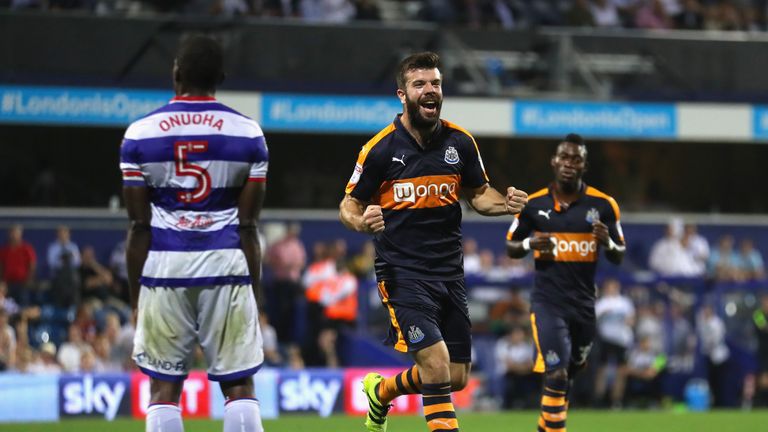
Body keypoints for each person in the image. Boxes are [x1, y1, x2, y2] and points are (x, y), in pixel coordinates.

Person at [339, 51, 528, 432]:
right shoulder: (380, 149)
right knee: (437, 365)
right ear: (402, 94)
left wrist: (505, 203)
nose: (430, 90)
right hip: (402, 273)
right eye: (420, 84)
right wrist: (361, 221)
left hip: (449, 274)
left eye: (436, 83)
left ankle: (382, 391)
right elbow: (348, 203)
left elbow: (478, 194)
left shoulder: (461, 142)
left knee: (455, 376)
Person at [121, 35, 268, 432]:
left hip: (164, 268)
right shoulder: (248, 133)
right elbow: (249, 226)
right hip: (226, 265)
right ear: (220, 77)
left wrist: (137, 298)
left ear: (176, 73)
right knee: (239, 386)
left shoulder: (140, 135)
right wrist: (253, 294)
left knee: (163, 390)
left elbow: (138, 227)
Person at [506, 133, 625, 432]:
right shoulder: (533, 205)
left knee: (568, 377)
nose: (569, 163)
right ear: (554, 161)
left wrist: (608, 242)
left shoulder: (605, 205)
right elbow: (511, 246)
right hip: (548, 303)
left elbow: (619, 254)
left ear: (584, 165)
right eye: (564, 157)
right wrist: (532, 244)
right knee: (556, 374)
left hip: (584, 307)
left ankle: (545, 427)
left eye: (576, 159)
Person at [0, 224, 37, 307]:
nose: (13, 235)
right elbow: (1, 266)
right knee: (7, 306)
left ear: (20, 234)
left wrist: (28, 279)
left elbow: (32, 265)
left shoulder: (26, 248)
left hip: (22, 283)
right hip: (8, 284)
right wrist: (2, 281)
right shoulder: (4, 249)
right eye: (12, 233)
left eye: (16, 233)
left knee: (23, 306)